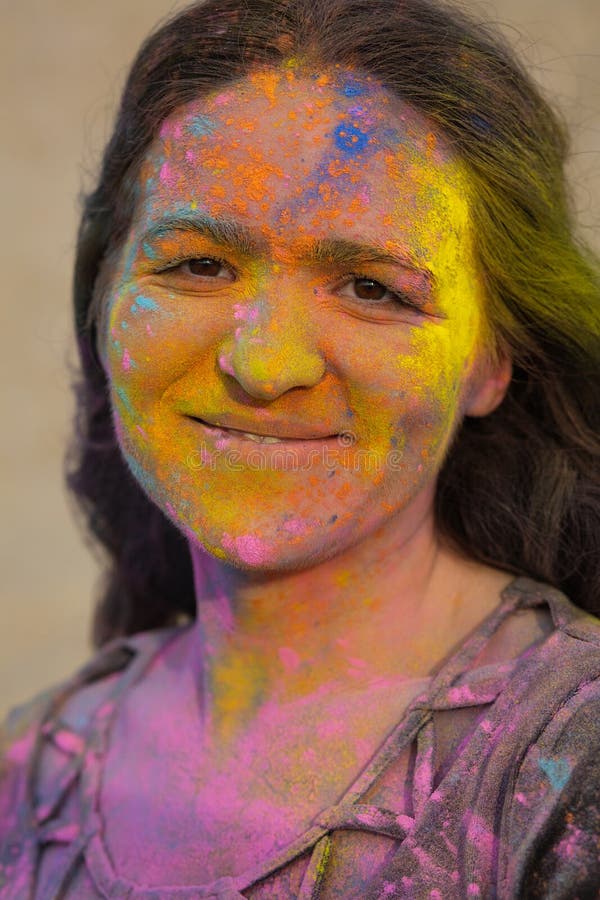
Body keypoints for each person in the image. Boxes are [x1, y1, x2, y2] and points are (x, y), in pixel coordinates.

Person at [1, 0, 599, 896]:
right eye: (199, 264)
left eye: (371, 287)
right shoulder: (29, 772)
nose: (264, 363)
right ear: (105, 295)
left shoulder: (574, 764)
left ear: (491, 360)